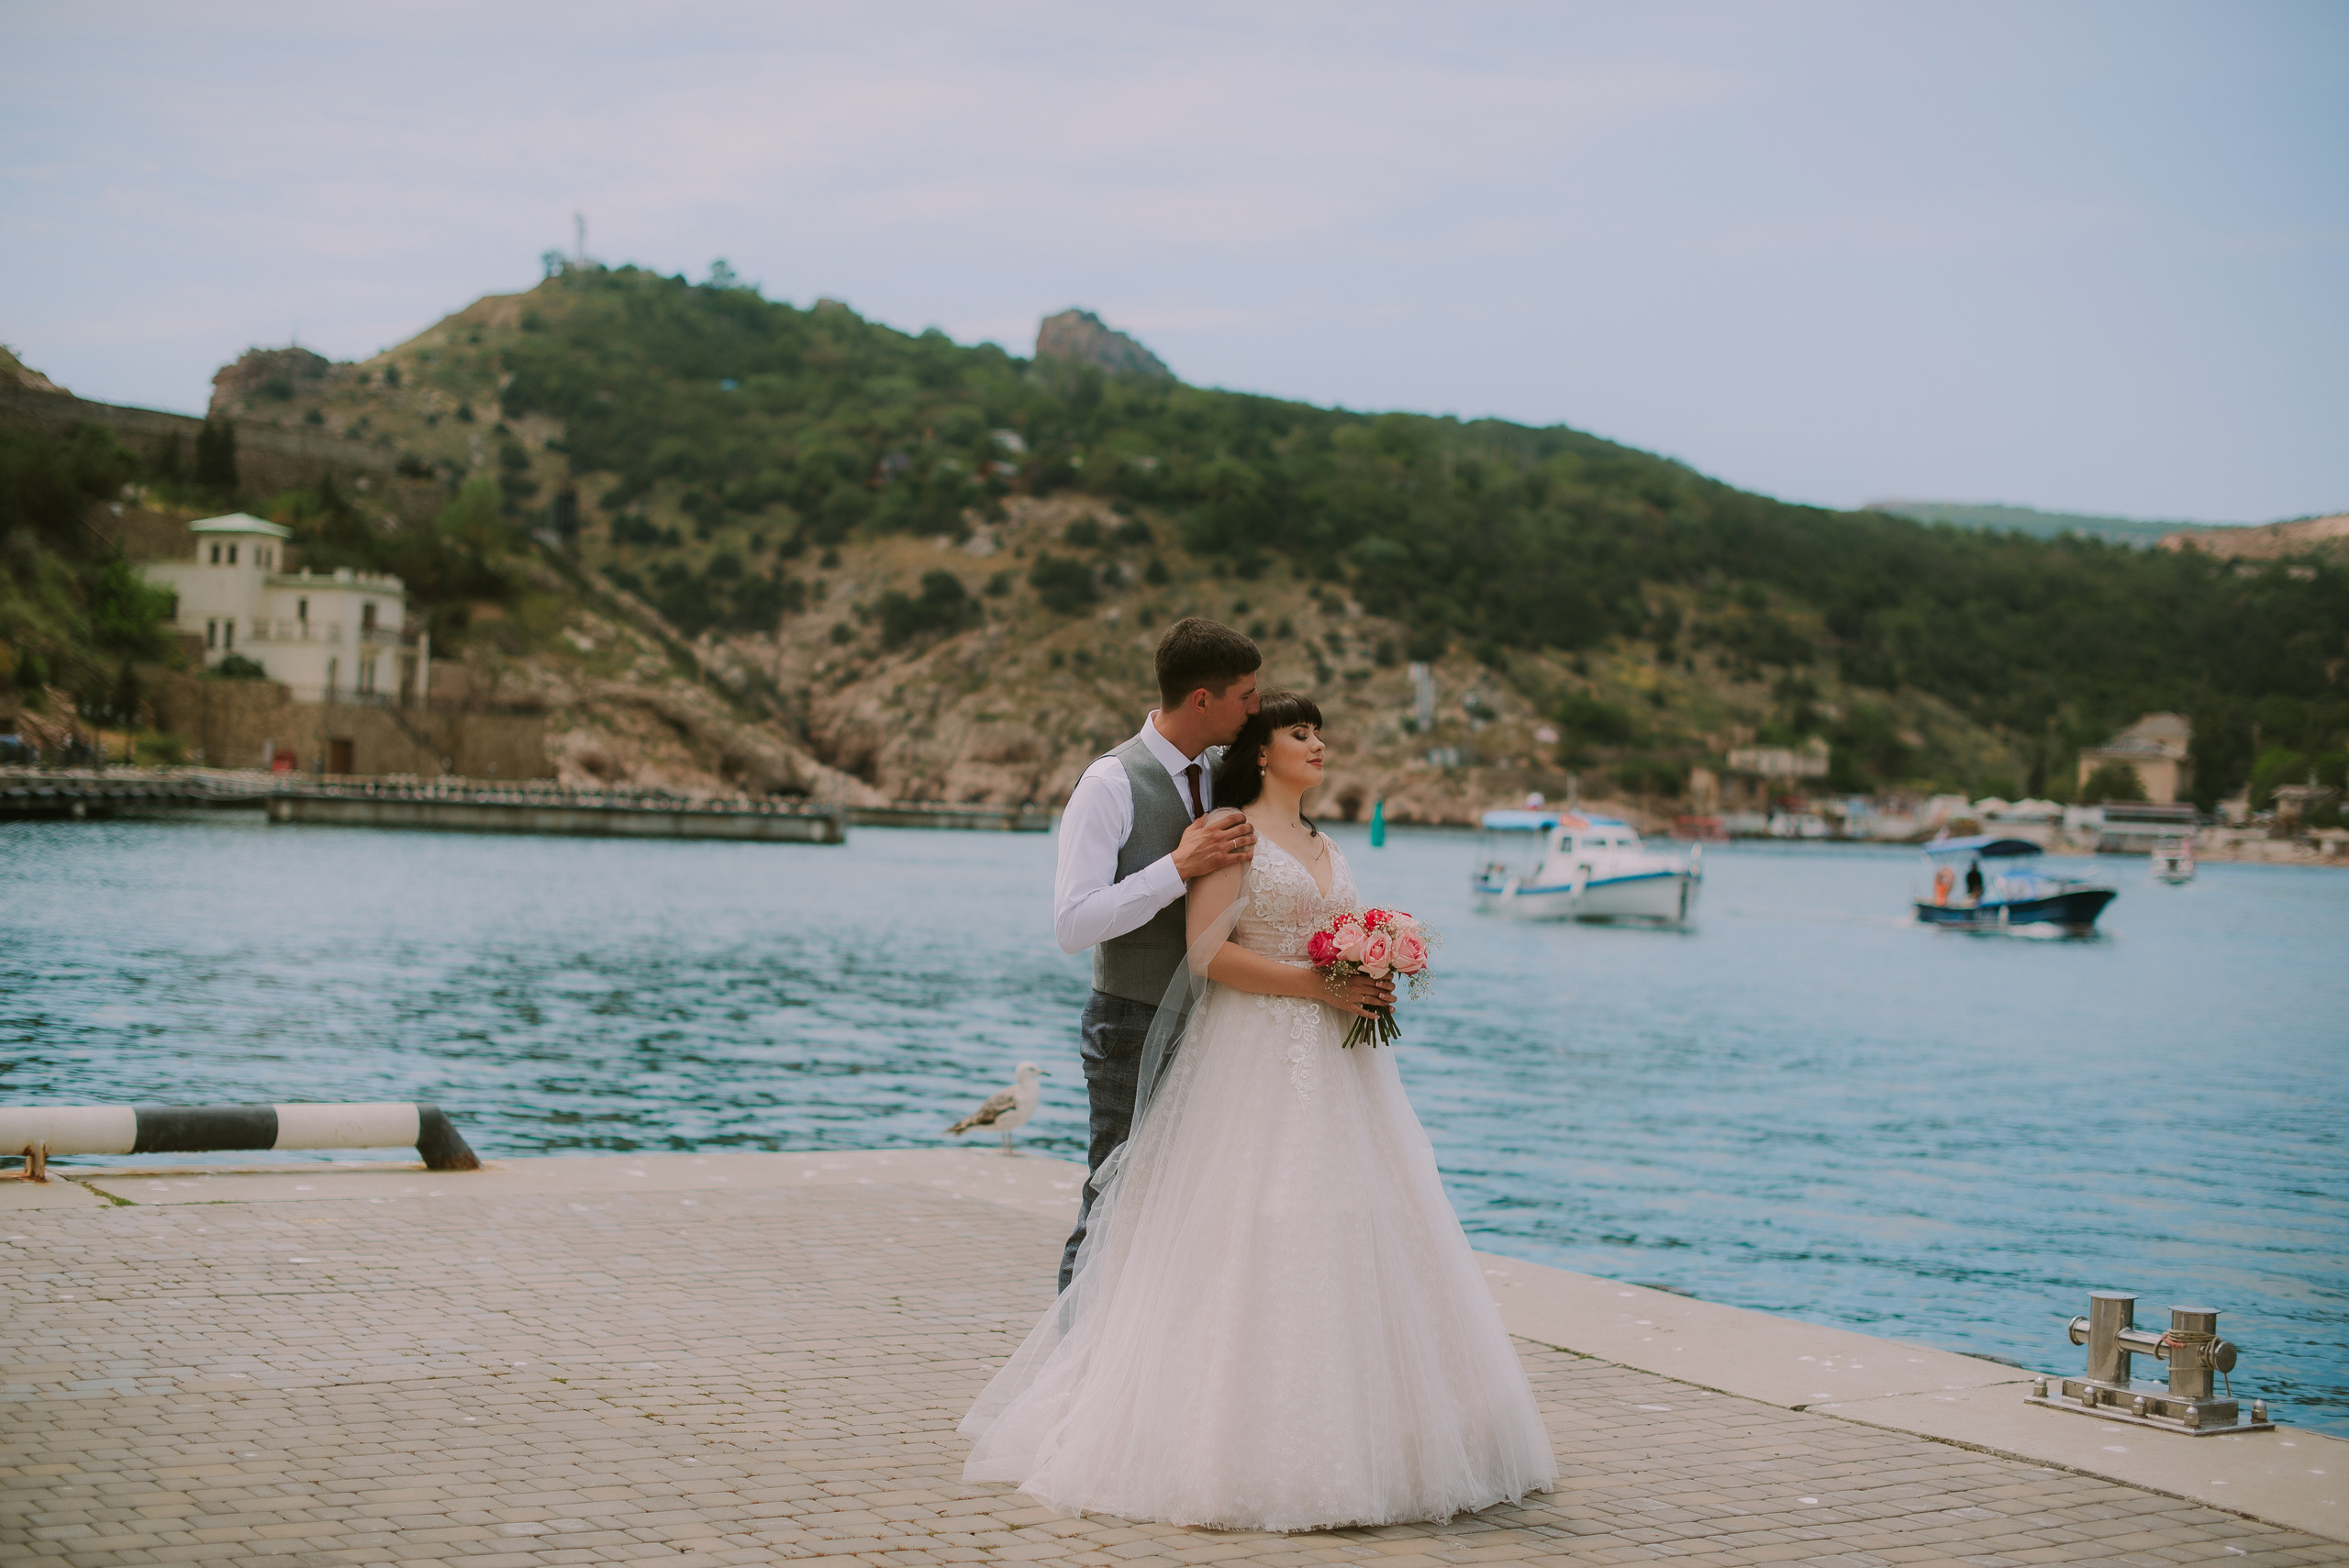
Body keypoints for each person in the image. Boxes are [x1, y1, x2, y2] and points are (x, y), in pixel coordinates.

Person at [964, 692, 1557, 1531]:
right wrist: (1323, 983)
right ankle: (1217, 1435)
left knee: (1357, 1220)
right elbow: (1208, 954)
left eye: (1320, 732)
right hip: (1250, 1054)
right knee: (1250, 1225)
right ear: (1263, 751)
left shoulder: (1327, 843)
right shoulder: (1235, 831)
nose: (1318, 745)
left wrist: (1369, 972)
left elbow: (1331, 936)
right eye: (1298, 732)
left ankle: (1383, 1433)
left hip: (1338, 1063)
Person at [1050, 617, 1262, 1291]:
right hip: (1130, 1024)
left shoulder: (1222, 775)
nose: (1256, 709)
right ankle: (1069, 1373)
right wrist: (1177, 866)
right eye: (1246, 696)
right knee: (1112, 1196)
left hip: (1213, 1029)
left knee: (1187, 1209)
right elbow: (1073, 922)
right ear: (1203, 699)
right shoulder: (1109, 782)